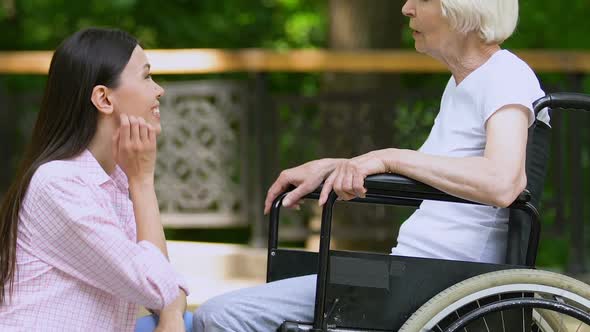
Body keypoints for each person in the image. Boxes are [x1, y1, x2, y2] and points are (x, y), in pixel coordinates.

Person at [192, 0, 550, 331]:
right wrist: (338, 166)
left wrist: (391, 157)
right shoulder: (463, 84)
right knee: (263, 296)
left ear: (465, 9)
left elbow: (503, 182)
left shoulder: (505, 75)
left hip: (437, 282)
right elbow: (428, 173)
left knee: (221, 315)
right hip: (407, 272)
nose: (406, 8)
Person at [0, 28, 192, 331]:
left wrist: (171, 317)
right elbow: (155, 285)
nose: (159, 90)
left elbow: (170, 282)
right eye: (146, 77)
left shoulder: (110, 179)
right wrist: (142, 183)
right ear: (103, 98)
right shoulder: (58, 185)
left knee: (198, 320)